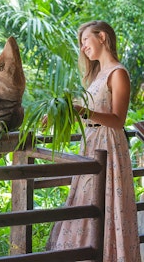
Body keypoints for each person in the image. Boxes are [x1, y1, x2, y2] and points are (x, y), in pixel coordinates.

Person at [46, 20, 141, 261]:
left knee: (107, 202)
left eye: (85, 40)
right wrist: (61, 113)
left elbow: (118, 119)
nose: (82, 47)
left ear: (102, 37)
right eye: (81, 44)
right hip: (91, 143)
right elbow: (87, 114)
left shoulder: (118, 73)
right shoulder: (97, 76)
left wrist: (83, 112)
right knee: (87, 200)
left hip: (108, 145)